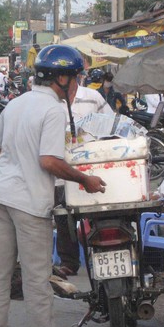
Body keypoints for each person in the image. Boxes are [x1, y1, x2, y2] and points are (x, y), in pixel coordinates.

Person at [0, 44, 106, 327]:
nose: (78, 85)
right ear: (61, 78)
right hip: (28, 202)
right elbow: (49, 161)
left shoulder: (16, 104)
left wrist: (19, 153)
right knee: (36, 274)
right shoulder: (52, 110)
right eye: (76, 78)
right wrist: (85, 180)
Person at [53, 79, 115, 278]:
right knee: (63, 217)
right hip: (63, 171)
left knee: (99, 214)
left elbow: (111, 124)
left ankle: (104, 254)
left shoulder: (92, 97)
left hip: (93, 169)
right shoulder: (51, 101)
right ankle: (69, 262)